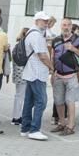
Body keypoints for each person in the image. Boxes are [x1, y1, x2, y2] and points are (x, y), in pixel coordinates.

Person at [50, 18, 79, 136]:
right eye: (64, 25)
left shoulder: (78, 40)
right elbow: (52, 56)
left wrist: (73, 49)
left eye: (68, 25)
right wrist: (52, 72)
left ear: (71, 27)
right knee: (59, 101)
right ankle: (62, 123)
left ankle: (71, 126)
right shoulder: (56, 40)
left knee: (70, 101)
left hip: (72, 75)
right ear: (61, 26)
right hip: (58, 75)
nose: (66, 27)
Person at [20, 12, 52, 140]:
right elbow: (42, 56)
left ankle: (25, 128)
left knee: (29, 101)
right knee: (41, 101)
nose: (46, 23)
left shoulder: (33, 33)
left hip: (32, 72)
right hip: (37, 73)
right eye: (43, 21)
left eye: (47, 21)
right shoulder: (36, 35)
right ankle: (34, 129)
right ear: (36, 21)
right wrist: (52, 67)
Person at [10, 27, 29, 124]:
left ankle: (16, 116)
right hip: (24, 74)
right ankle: (17, 117)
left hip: (17, 74)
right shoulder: (25, 46)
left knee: (18, 95)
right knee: (22, 96)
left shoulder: (17, 45)